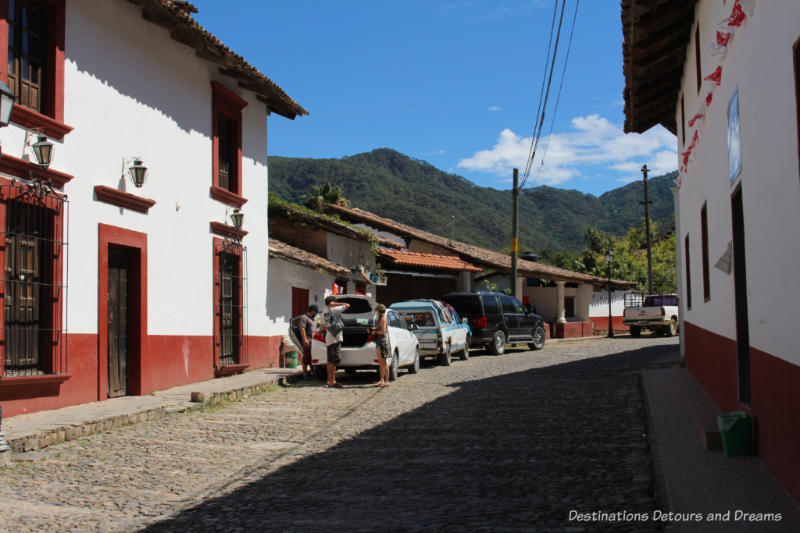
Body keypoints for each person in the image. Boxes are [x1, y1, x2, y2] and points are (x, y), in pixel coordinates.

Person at [322, 295, 349, 388]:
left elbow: (323, 327)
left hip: (329, 339)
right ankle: (332, 381)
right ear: (331, 303)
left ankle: (328, 381)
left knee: (329, 361)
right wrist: (336, 304)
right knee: (334, 362)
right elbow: (347, 305)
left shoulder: (323, 312)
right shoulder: (334, 310)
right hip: (335, 338)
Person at [369, 304, 391, 387]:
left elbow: (383, 331)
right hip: (379, 342)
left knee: (384, 362)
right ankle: (381, 380)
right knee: (380, 362)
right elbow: (380, 329)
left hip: (383, 342)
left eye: (377, 310)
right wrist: (373, 329)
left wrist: (375, 332)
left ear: (379, 311)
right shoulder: (379, 319)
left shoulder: (383, 319)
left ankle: (387, 381)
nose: (376, 312)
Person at [296, 304, 318, 379]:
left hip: (313, 341)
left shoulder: (313, 319)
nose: (316, 314)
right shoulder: (304, 318)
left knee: (312, 358)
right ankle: (305, 373)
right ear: (313, 311)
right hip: (307, 341)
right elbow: (302, 329)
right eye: (315, 312)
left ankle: (312, 372)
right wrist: (305, 340)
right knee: (306, 358)